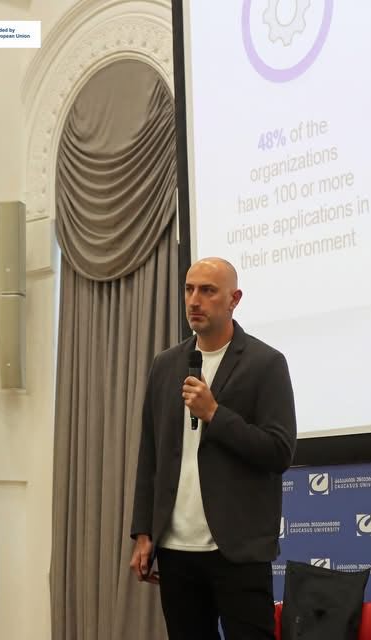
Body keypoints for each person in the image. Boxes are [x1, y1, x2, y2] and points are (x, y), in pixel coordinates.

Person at [130, 257, 297, 640]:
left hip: (238, 548)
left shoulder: (265, 363)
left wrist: (215, 414)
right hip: (175, 548)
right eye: (189, 289)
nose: (194, 300)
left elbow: (279, 450)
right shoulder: (166, 365)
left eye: (207, 291)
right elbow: (150, 455)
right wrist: (143, 531)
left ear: (234, 299)